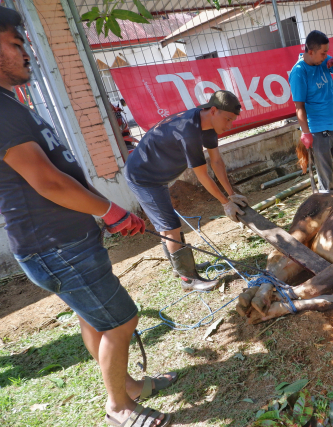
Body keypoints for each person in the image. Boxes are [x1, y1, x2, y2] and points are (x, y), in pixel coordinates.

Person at [0, 6, 173, 426]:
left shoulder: (11, 103)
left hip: (63, 238)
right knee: (122, 319)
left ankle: (126, 386)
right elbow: (48, 182)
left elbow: (60, 172)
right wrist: (111, 209)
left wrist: (101, 212)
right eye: (15, 44)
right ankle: (119, 407)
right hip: (52, 245)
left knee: (94, 315)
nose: (26, 53)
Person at [124, 90, 247, 292]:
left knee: (168, 225)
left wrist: (231, 193)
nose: (229, 125)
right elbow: (203, 176)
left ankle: (181, 267)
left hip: (156, 175)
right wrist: (226, 203)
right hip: (143, 178)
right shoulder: (189, 131)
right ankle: (188, 279)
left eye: (232, 120)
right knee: (170, 226)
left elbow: (216, 161)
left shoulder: (207, 123)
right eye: (227, 119)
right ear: (213, 110)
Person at [289, 30, 333, 193]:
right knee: (325, 175)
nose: (326, 56)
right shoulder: (299, 72)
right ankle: (328, 208)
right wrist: (306, 133)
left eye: (327, 53)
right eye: (323, 53)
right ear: (310, 52)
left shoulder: (324, 61)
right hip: (317, 131)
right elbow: (299, 107)